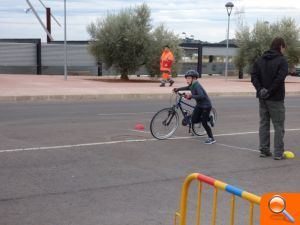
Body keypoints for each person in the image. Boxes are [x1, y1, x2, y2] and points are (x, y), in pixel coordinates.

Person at [251, 37, 288, 160]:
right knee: (278, 125)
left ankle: (264, 150)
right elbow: (279, 79)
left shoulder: (260, 59)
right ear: (281, 46)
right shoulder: (282, 61)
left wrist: (260, 89)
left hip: (262, 98)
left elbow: (253, 76)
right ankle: (278, 153)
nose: (284, 51)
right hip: (276, 99)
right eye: (284, 48)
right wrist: (269, 91)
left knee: (264, 124)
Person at [173, 70, 216, 144]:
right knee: (194, 120)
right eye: (186, 78)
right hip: (199, 105)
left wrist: (190, 96)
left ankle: (211, 138)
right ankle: (209, 118)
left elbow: (201, 96)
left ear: (195, 78)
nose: (187, 80)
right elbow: (187, 87)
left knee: (204, 123)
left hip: (206, 106)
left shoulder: (197, 85)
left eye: (189, 78)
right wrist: (178, 89)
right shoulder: (192, 85)